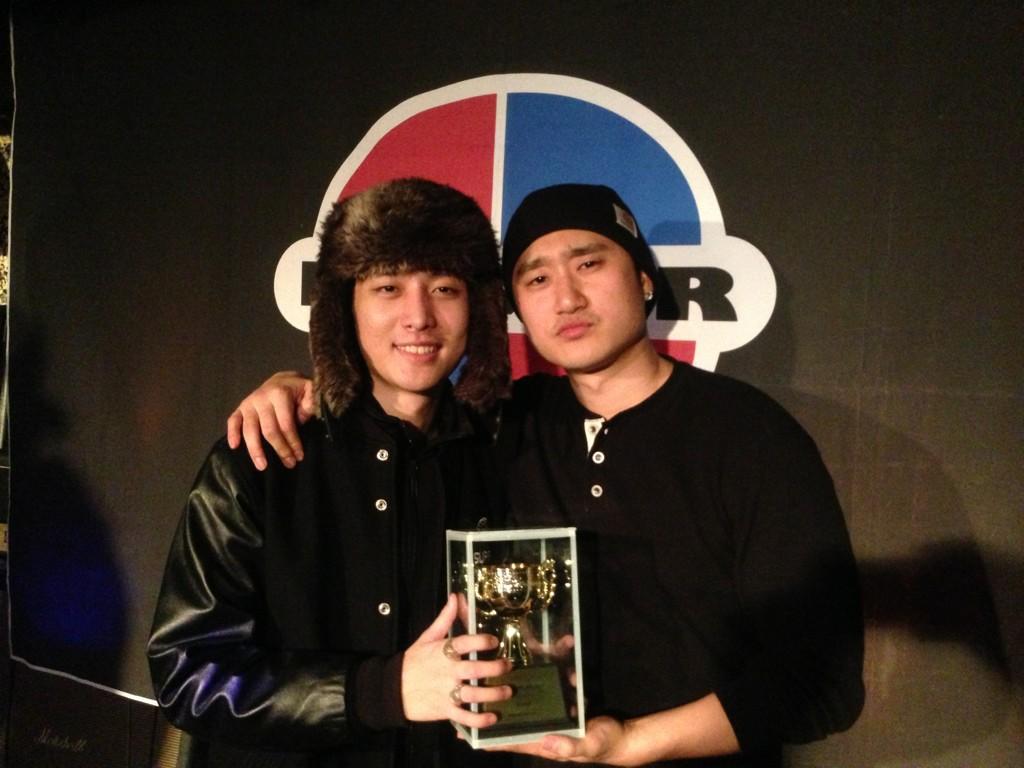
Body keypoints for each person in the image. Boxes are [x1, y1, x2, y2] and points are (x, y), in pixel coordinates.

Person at [228, 184, 865, 767]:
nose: (567, 298)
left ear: (644, 279)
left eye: (589, 264)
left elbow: (822, 683)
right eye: (536, 278)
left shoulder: (751, 436)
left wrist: (632, 742)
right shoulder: (505, 423)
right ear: (514, 309)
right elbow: (393, 407)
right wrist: (298, 389)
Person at [147, 178, 518, 768]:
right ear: (345, 307)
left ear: (477, 306)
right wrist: (381, 692)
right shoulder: (262, 455)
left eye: (444, 288)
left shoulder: (505, 452)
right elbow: (189, 672)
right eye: (388, 287)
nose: (419, 317)